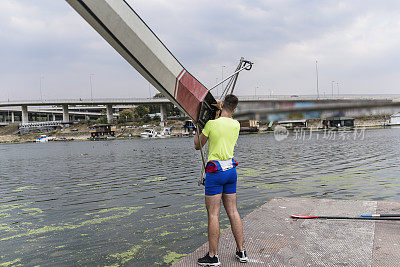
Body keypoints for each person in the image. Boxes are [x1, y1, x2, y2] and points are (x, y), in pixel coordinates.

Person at [194, 94, 248, 266]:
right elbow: (226, 117)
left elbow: (197, 145)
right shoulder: (236, 124)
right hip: (231, 171)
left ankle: (213, 256)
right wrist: (221, 109)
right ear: (235, 109)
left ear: (222, 104)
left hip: (215, 172)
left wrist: (201, 124)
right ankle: (241, 251)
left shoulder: (211, 124)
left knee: (213, 214)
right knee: (233, 212)